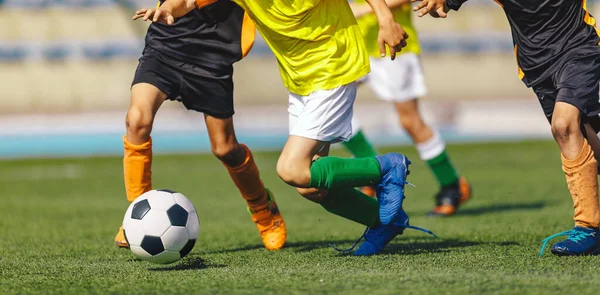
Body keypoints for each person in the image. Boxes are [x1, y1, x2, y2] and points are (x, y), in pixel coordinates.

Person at [135, 0, 436, 256]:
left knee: (291, 169)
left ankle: (385, 168)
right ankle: (386, 222)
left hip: (334, 65)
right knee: (311, 188)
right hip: (301, 79)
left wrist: (385, 19)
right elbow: (189, 1)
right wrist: (166, 8)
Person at [414, 0, 600, 256]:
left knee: (563, 126)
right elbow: (441, 7)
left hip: (579, 48)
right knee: (582, 139)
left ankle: (588, 227)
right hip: (537, 65)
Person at [114, 0, 287, 251]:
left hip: (213, 55)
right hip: (167, 42)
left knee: (225, 148)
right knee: (137, 121)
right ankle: (135, 215)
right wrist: (167, 10)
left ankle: (262, 206)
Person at [342, 0, 471, 216]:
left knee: (410, 121)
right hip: (355, 44)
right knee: (334, 111)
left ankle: (452, 185)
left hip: (396, 45)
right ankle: (372, 172)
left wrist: (365, 9)